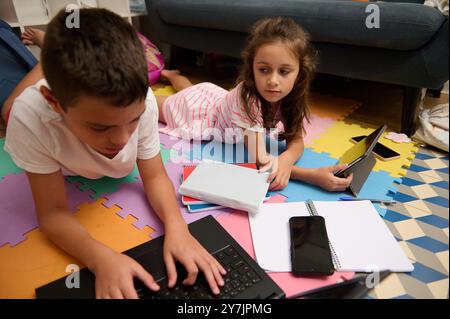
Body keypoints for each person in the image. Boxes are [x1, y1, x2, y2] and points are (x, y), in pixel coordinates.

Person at [2, 8, 226, 299]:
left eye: (132, 121)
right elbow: (53, 213)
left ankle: (49, 56)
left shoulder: (142, 100)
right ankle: (43, 61)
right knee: (8, 109)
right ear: (54, 103)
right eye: (99, 127)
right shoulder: (30, 116)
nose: (122, 140)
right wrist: (100, 257)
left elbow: (155, 175)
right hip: (25, 109)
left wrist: (177, 227)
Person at [157, 17, 353, 191]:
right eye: (264, 70)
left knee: (191, 89)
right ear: (252, 68)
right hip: (196, 112)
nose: (273, 81)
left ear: (299, 74)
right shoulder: (248, 99)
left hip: (214, 97)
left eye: (284, 72)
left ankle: (173, 75)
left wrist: (285, 160)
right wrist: (312, 176)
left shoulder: (292, 96)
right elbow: (262, 160)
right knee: (148, 104)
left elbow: (297, 140)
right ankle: (157, 78)